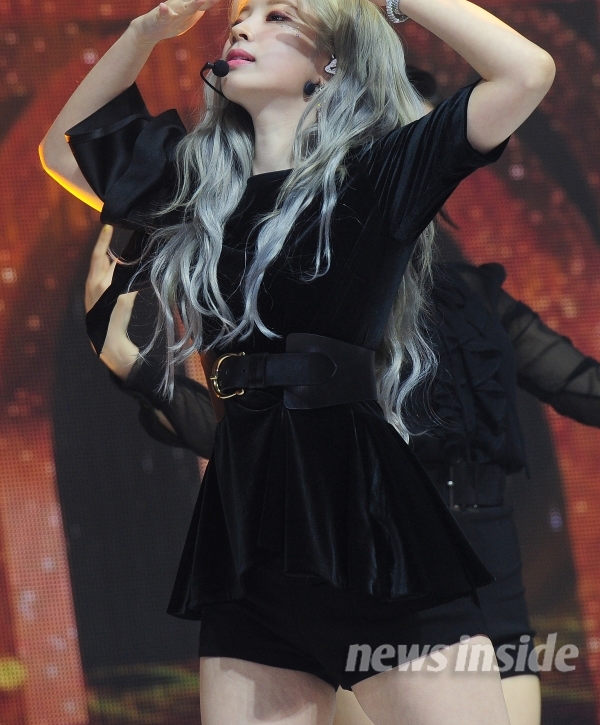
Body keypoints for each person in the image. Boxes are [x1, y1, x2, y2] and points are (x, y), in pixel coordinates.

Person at [41, 0, 555, 725]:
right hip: (248, 534)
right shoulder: (199, 182)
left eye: (277, 17)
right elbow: (63, 151)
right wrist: (144, 34)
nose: (243, 29)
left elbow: (527, 72)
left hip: (371, 526)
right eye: (240, 19)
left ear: (333, 64)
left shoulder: (380, 173)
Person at [85, 224, 600, 725]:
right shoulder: (335, 305)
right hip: (390, 579)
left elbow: (580, 386)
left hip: (496, 585)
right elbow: (254, 439)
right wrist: (135, 368)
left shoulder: (475, 298)